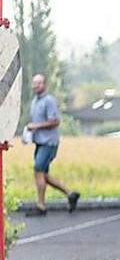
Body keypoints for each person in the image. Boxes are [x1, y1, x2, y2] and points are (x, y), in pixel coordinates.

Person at [26, 73, 80, 215]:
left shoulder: (49, 101)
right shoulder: (35, 101)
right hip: (39, 142)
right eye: (34, 83)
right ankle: (70, 194)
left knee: (38, 170)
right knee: (44, 176)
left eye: (39, 83)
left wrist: (36, 126)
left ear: (45, 85)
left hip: (48, 143)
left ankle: (41, 206)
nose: (36, 85)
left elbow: (55, 121)